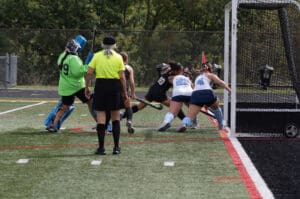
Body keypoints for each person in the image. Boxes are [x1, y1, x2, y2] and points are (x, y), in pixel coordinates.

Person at [85, 36, 129, 155]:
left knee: (101, 118)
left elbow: (89, 72)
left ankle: (101, 148)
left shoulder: (97, 55)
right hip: (114, 87)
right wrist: (125, 93)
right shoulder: (119, 57)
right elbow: (122, 77)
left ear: (102, 45)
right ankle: (116, 148)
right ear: (115, 45)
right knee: (115, 117)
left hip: (100, 86)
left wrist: (86, 87)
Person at [46, 37, 96, 132]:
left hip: (65, 86)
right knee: (90, 102)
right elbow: (79, 72)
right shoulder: (74, 59)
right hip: (77, 86)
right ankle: (101, 123)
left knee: (64, 106)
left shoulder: (62, 55)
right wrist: (88, 64)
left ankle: (53, 124)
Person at [121, 62, 186, 121]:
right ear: (175, 71)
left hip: (152, 90)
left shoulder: (168, 72)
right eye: (181, 70)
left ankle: (122, 115)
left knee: (139, 106)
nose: (182, 72)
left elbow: (160, 68)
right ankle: (185, 120)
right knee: (175, 106)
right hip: (159, 93)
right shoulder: (172, 77)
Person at [177, 61, 231, 132]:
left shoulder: (198, 77)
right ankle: (221, 125)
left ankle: (184, 124)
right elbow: (221, 83)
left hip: (196, 94)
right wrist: (230, 90)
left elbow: (196, 88)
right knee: (216, 106)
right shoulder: (211, 75)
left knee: (190, 115)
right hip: (207, 93)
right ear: (209, 69)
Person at [158, 67, 196, 131]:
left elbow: (163, 82)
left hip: (178, 93)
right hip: (190, 93)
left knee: (172, 112)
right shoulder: (188, 79)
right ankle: (184, 124)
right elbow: (194, 88)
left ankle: (165, 122)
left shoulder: (172, 77)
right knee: (191, 112)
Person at [119, 51, 136, 133]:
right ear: (126, 59)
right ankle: (129, 121)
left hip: (114, 90)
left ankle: (106, 125)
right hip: (124, 91)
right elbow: (132, 82)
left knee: (111, 109)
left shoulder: (115, 66)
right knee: (128, 107)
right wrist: (132, 93)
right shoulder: (129, 68)